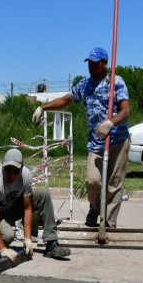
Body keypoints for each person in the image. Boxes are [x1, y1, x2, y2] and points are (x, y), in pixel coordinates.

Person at [32, 46, 130, 228]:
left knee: (113, 184)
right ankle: (95, 208)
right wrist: (42, 107)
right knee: (93, 181)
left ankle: (109, 223)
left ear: (104, 63)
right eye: (89, 64)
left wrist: (111, 123)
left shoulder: (116, 82)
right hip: (96, 143)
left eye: (95, 64)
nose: (91, 67)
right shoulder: (84, 85)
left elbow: (125, 111)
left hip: (118, 141)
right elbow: (65, 100)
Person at [0, 148, 71, 261]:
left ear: (21, 169)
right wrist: (2, 250)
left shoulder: (25, 175)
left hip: (10, 207)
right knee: (8, 235)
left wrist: (27, 238)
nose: (11, 175)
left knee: (43, 194)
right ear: (2, 165)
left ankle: (51, 244)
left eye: (15, 171)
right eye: (8, 170)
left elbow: (27, 208)